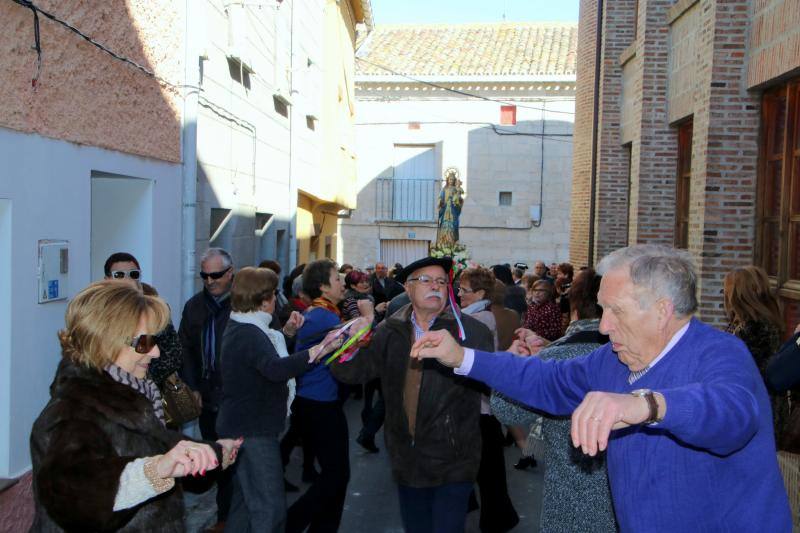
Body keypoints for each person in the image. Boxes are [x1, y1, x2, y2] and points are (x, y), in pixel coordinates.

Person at [411, 244, 792, 532]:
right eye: (602, 309)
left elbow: (732, 417)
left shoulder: (720, 353)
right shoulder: (612, 358)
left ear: (661, 310)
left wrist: (646, 406)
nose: (605, 326)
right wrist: (463, 357)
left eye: (616, 311)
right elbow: (548, 380)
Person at [30, 281, 241, 531]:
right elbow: (75, 493)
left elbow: (162, 447)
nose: (155, 353)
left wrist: (214, 452)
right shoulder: (71, 411)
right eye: (144, 342)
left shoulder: (131, 395)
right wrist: (156, 471)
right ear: (105, 341)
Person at [331, 256, 494, 533]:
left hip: (454, 459)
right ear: (408, 288)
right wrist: (353, 337)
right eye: (426, 280)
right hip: (407, 457)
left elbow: (489, 382)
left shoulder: (471, 332)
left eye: (442, 281)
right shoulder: (389, 330)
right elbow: (351, 373)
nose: (436, 286)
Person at [217, 267, 343, 532]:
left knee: (244, 505)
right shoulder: (248, 332)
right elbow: (275, 369)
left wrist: (286, 332)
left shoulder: (246, 325)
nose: (277, 299)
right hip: (253, 431)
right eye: (274, 294)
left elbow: (264, 359)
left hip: (242, 427)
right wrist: (319, 350)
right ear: (263, 299)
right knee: (270, 509)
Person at [491, 269, 617, 532]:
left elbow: (506, 411)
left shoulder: (555, 357)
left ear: (574, 308)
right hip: (625, 498)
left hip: (567, 499)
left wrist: (514, 366)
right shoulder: (632, 357)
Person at [286, 260, 352, 533]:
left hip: (318, 401)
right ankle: (291, 522)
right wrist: (370, 317)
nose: (343, 283)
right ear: (323, 287)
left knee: (336, 474)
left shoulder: (322, 312)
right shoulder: (323, 316)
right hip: (318, 404)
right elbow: (354, 340)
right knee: (336, 474)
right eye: (337, 279)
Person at [457, 267, 518, 533]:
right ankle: (490, 513)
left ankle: (497, 518)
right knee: (483, 465)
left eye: (464, 290)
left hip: (481, 406)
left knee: (488, 468)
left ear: (481, 293)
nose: (459, 294)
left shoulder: (481, 319)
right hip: (478, 404)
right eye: (459, 289)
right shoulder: (476, 315)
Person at [178, 247, 236, 530]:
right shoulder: (194, 307)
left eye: (216, 275)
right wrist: (192, 387)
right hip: (207, 397)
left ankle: (231, 517)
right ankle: (226, 517)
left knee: (237, 461)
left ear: (230, 272)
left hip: (237, 397)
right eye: (204, 276)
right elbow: (185, 348)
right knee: (219, 458)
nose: (210, 281)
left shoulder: (243, 304)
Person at [104, 252, 183, 391]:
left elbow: (173, 354)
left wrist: (144, 377)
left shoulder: (153, 310)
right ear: (107, 279)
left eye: (133, 274)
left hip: (145, 390)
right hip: (108, 388)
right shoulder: (98, 313)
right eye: (119, 275)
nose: (127, 279)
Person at [341, 269, 386, 453]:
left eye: (367, 282)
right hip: (363, 351)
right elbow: (359, 325)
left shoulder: (365, 297)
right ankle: (367, 433)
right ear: (352, 285)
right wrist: (374, 312)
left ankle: (367, 433)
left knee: (372, 394)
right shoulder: (352, 300)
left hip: (370, 349)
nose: (366, 285)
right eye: (362, 283)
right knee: (376, 395)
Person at [436, 170, 464, 248]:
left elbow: (460, 200)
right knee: (445, 224)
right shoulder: (444, 189)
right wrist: (440, 202)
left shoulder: (456, 189)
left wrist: (458, 200)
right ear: (447, 180)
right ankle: (443, 241)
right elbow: (440, 198)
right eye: (450, 179)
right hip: (445, 210)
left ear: (454, 180)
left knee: (452, 226)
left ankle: (451, 242)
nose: (451, 181)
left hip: (453, 210)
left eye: (452, 179)